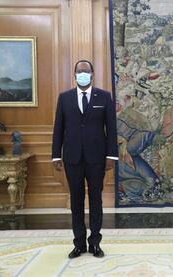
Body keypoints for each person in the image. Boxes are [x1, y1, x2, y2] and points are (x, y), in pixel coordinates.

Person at [52, 60, 118, 258]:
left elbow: (111, 129)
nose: (83, 74)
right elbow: (58, 129)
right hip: (72, 158)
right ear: (74, 74)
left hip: (97, 158)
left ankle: (95, 243)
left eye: (86, 71)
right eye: (79, 71)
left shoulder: (104, 97)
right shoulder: (64, 98)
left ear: (92, 74)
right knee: (77, 201)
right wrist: (56, 155)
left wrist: (111, 156)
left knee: (96, 200)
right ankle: (79, 243)